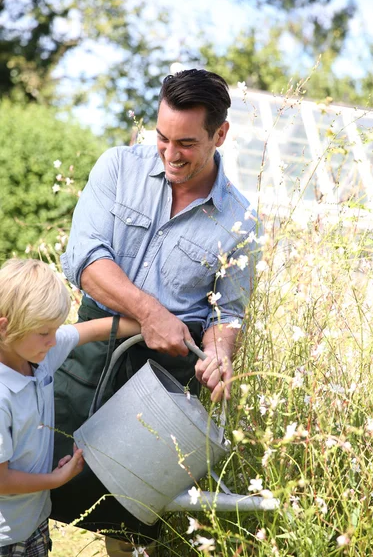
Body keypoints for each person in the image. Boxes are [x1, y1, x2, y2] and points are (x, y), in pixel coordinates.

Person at [53, 69, 259, 555]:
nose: (169, 153)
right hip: (91, 346)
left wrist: (218, 356)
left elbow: (224, 314)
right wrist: (149, 311)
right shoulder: (117, 167)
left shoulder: (241, 221)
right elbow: (84, 259)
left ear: (220, 134)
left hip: (161, 378)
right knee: (45, 484)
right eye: (162, 137)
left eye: (186, 142)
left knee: (129, 519)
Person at [0, 258, 140, 556]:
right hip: (5, 536)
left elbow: (93, 330)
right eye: (44, 332)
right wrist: (57, 479)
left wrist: (152, 323)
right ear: (4, 328)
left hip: (33, 520)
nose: (55, 340)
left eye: (56, 328)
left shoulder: (36, 353)